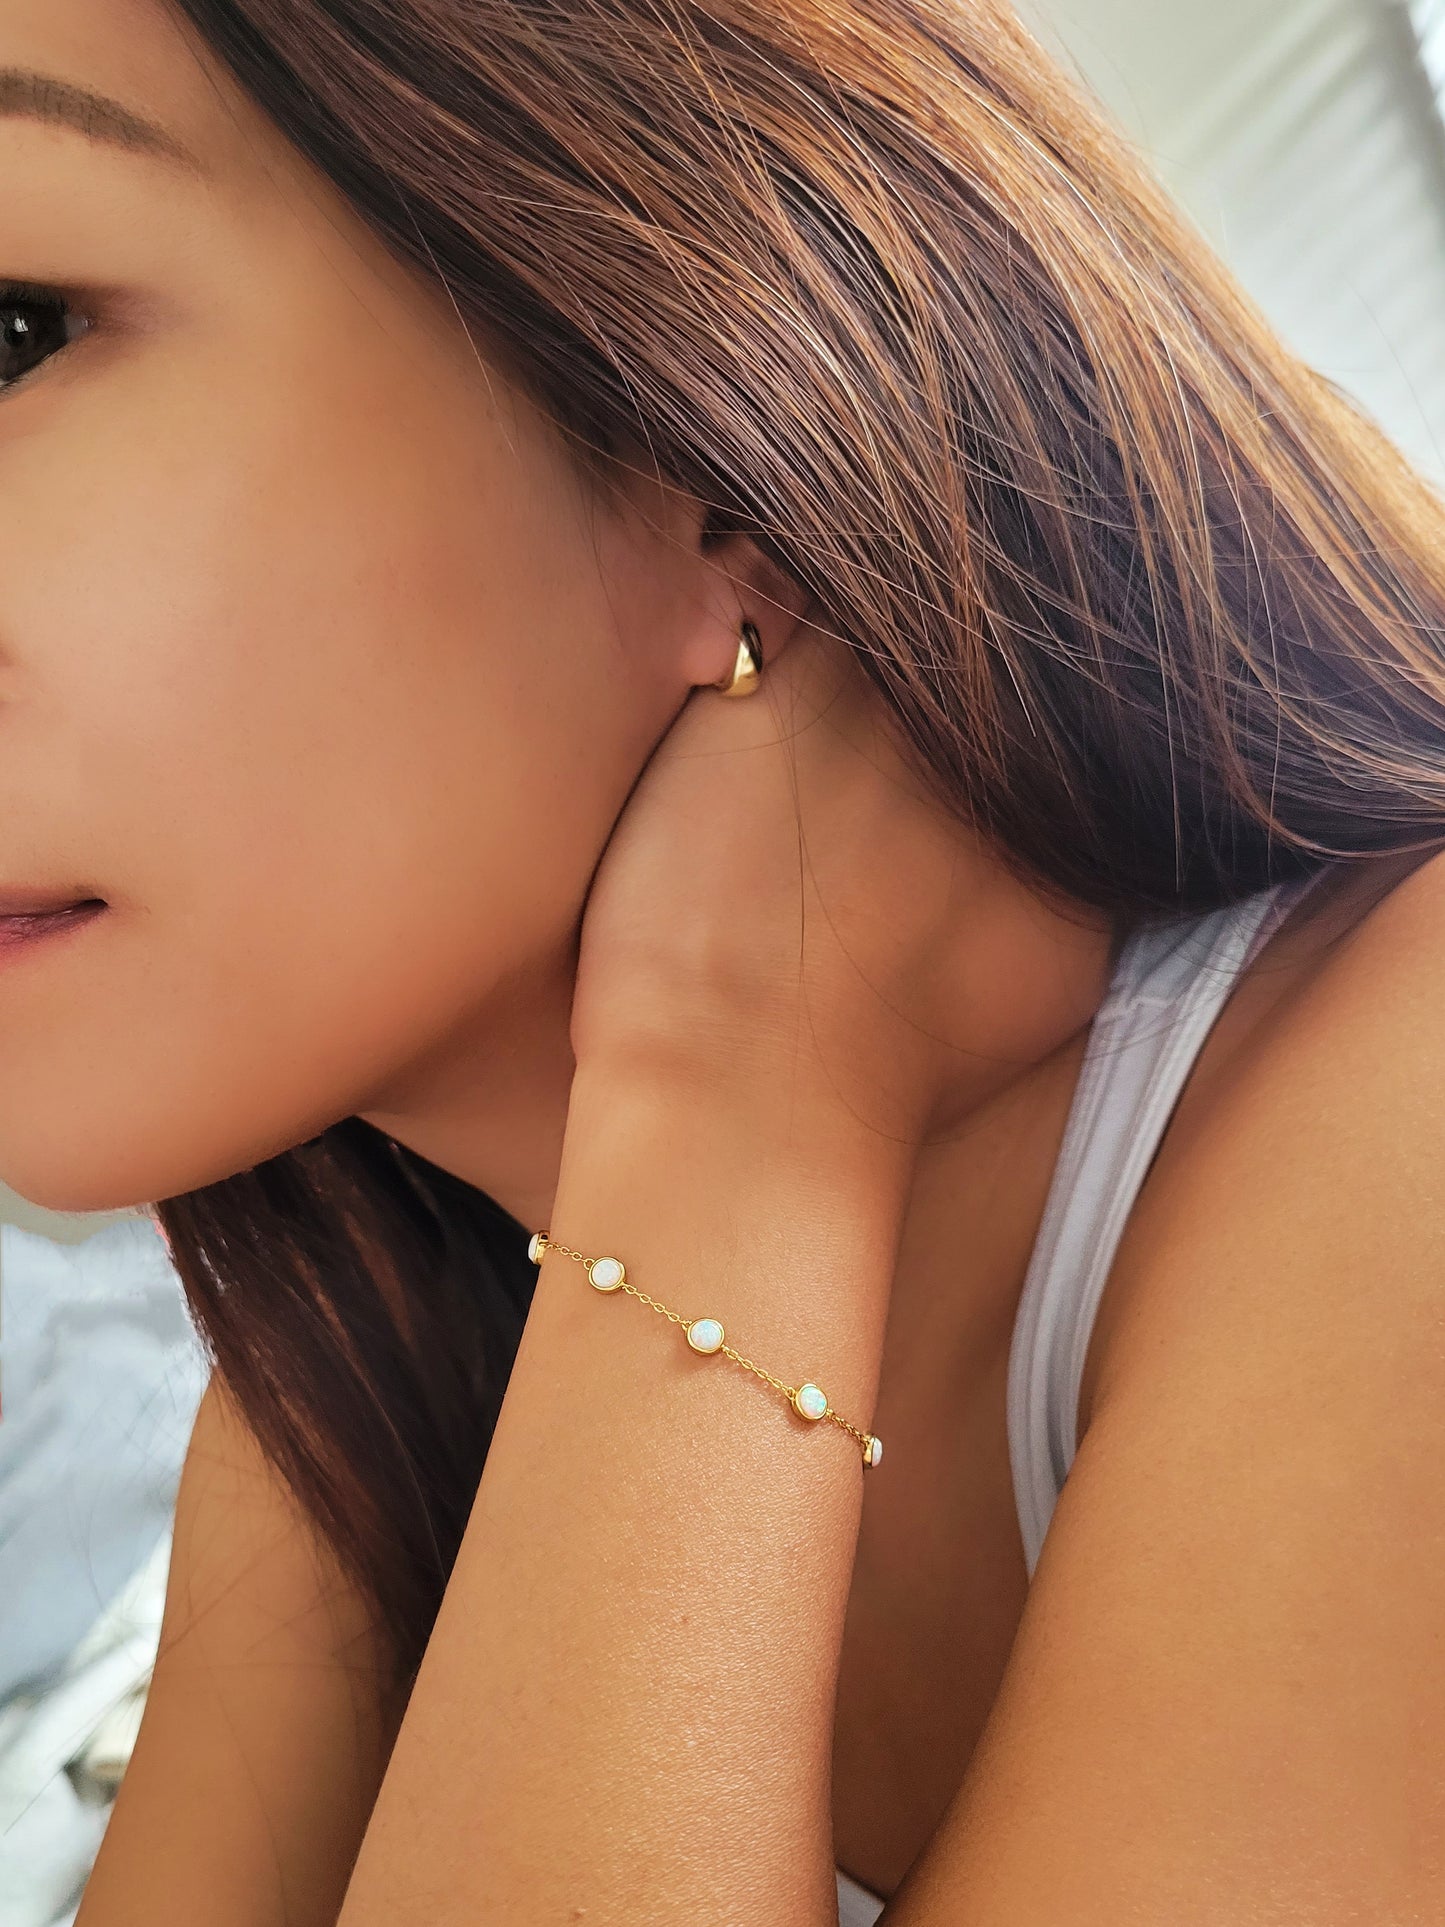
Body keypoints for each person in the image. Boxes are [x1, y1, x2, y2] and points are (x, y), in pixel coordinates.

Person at [1, 0, 1440, 1919]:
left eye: (16, 332)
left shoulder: (1401, 1106)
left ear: (699, 390)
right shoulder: (367, 1347)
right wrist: (721, 1110)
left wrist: (732, 1108)